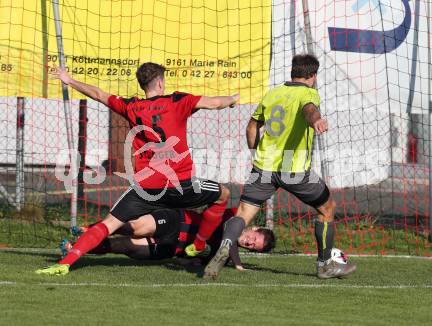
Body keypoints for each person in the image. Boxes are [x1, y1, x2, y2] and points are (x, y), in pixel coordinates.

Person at [36, 62, 239, 276]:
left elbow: (98, 94)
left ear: (143, 85)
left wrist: (70, 80)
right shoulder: (178, 100)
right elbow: (215, 103)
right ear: (160, 82)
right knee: (222, 194)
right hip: (181, 186)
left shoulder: (132, 107)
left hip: (147, 188)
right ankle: (198, 245)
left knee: (109, 223)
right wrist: (233, 100)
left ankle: (65, 263)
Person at [204, 54, 356, 279]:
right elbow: (309, 109)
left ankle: (225, 245)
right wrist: (316, 121)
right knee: (327, 208)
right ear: (312, 76)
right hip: (292, 168)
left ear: (293, 72)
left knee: (243, 214)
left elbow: (251, 127)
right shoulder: (308, 93)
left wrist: (256, 151)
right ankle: (325, 265)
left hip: (263, 166)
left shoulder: (272, 93)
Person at [58, 208, 276, 272]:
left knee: (123, 246)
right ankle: (91, 230)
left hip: (171, 247)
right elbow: (229, 232)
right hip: (177, 221)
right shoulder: (234, 216)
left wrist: (190, 262)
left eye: (252, 246)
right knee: (134, 227)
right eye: (252, 237)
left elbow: (193, 263)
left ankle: (74, 248)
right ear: (254, 227)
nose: (248, 242)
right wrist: (238, 265)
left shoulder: (222, 257)